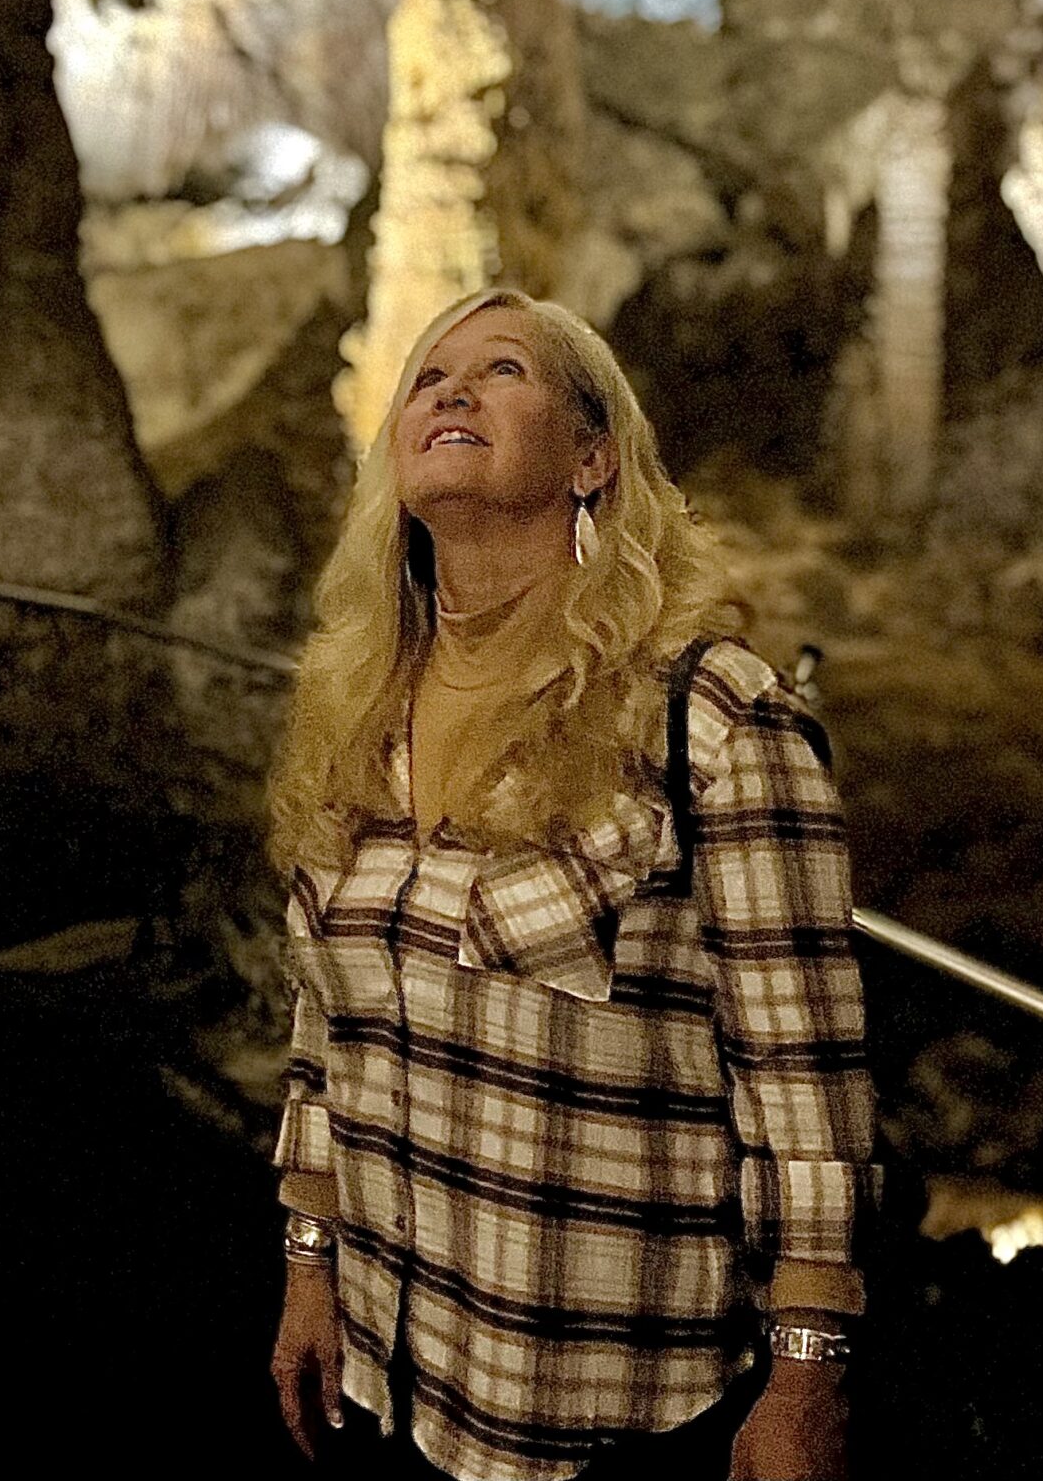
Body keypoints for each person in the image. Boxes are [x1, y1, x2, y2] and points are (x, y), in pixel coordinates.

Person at [267, 286, 877, 1480]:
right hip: (400, 1376)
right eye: (428, 378)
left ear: (592, 459)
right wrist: (307, 1257)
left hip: (618, 1408)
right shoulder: (356, 712)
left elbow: (805, 1082)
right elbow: (321, 1020)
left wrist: (806, 1370)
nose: (449, 389)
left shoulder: (707, 714)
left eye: (502, 370)